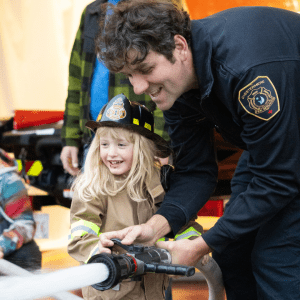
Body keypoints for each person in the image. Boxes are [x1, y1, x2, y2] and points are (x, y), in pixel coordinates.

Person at [93, 1, 300, 299]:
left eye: (146, 69)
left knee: (277, 258)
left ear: (179, 46)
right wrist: (154, 227)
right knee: (232, 252)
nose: (138, 87)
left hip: (287, 152)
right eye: (129, 74)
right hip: (277, 148)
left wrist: (202, 244)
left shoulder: (249, 71)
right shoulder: (177, 87)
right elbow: (195, 171)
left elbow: (279, 178)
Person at [67, 94, 203, 300]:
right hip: (111, 292)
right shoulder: (93, 186)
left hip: (155, 291)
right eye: (104, 145)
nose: (111, 153)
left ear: (142, 147)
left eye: (121, 145)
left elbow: (180, 222)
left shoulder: (159, 182)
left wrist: (192, 245)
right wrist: (95, 249)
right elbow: (79, 235)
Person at [60, 0, 169, 176]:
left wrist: (160, 142)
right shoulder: (91, 12)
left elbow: (167, 84)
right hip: (95, 142)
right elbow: (75, 78)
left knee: (139, 202)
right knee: (95, 201)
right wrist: (70, 139)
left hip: (138, 143)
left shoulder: (155, 7)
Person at [0, 149, 41, 271]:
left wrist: (2, 246)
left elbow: (25, 224)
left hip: (4, 245)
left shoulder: (8, 180)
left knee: (27, 254)